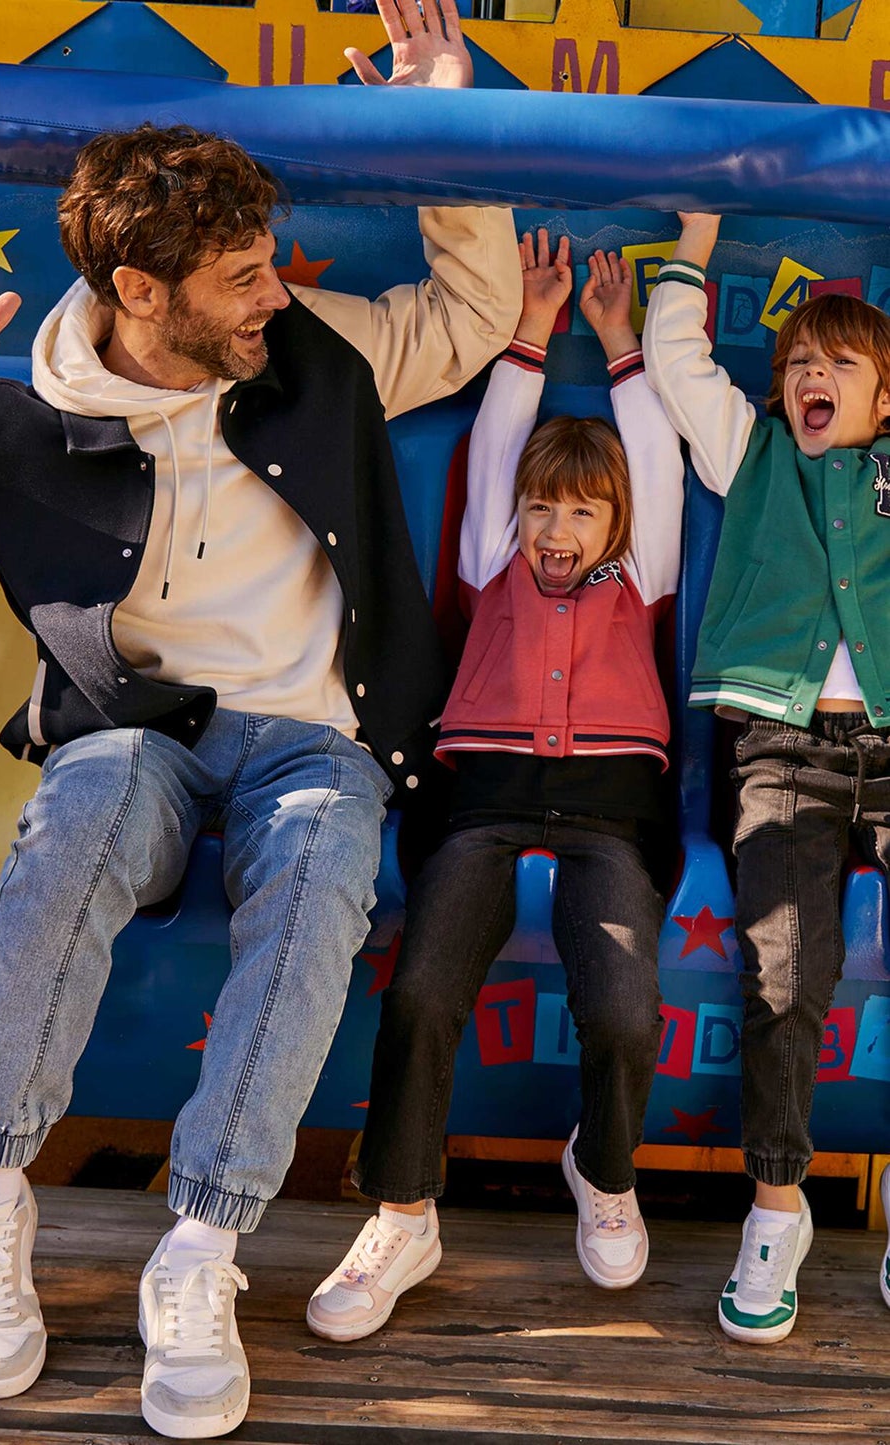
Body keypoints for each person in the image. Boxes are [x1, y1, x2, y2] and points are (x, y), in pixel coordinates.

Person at [0, 1, 520, 1432]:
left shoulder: (314, 352)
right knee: (86, 805)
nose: (268, 294)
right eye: (240, 277)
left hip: (312, 737)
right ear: (138, 283)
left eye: (266, 267)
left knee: (319, 864)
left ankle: (200, 1251)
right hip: (137, 742)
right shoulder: (3, 425)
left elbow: (474, 316)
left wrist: (444, 107)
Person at [306, 230, 684, 1343]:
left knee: (621, 1005)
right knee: (422, 992)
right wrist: (527, 330)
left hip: (609, 808)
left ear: (614, 525)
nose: (556, 530)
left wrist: (615, 340)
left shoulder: (641, 576)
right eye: (541, 510)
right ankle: (402, 1208)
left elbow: (652, 458)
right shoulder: (487, 562)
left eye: (580, 512)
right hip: (481, 798)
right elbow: (497, 440)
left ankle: (603, 1168)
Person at [644, 212, 890, 1344]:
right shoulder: (747, 454)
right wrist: (690, 244)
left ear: (883, 399)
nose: (810, 375)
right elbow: (678, 362)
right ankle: (776, 1203)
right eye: (796, 361)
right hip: (782, 747)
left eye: (840, 363)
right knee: (783, 970)